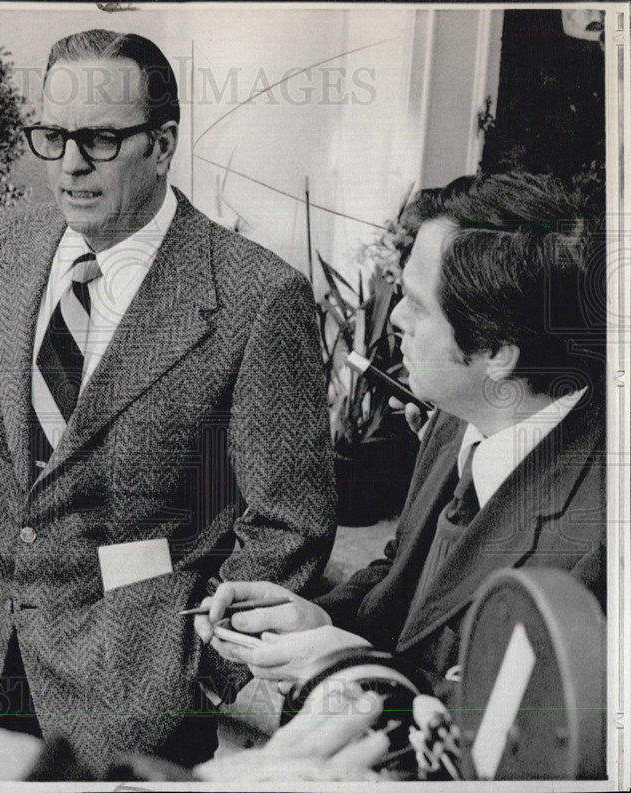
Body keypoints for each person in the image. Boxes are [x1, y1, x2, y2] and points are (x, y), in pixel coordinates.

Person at [0, 29, 334, 773]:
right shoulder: (4, 240)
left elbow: (287, 527)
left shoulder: (256, 298)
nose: (69, 164)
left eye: (102, 140)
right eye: (52, 136)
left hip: (131, 700)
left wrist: (198, 670)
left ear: (164, 142)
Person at [196, 172, 606, 695]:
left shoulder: (598, 544)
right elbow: (403, 574)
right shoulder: (461, 411)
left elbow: (506, 741)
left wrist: (355, 669)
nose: (395, 319)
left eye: (417, 303)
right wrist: (317, 620)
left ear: (499, 354)